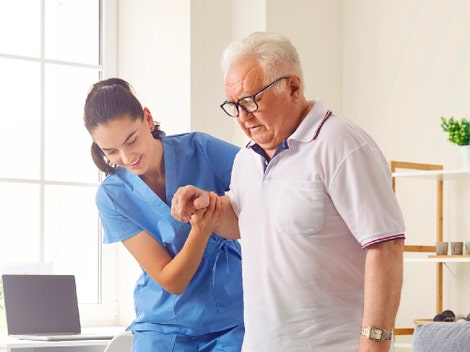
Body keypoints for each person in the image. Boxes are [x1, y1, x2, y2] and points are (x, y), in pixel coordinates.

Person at [171, 32, 405, 352]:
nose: (242, 117)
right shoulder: (246, 159)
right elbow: (245, 222)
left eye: (251, 101)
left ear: (293, 87)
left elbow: (386, 246)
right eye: (234, 106)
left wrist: (376, 345)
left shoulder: (342, 145)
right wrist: (209, 207)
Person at [83, 77, 245, 351]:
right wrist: (202, 228)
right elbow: (172, 279)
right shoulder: (112, 196)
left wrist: (213, 202)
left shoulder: (201, 149)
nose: (127, 156)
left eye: (131, 140)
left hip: (230, 317)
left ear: (147, 118)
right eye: (111, 151)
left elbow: (268, 187)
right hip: (162, 325)